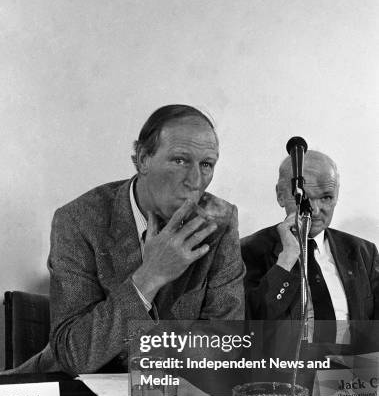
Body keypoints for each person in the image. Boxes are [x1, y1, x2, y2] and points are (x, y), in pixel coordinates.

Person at [5, 104, 244, 375]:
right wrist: (149, 277)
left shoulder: (218, 222)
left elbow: (226, 347)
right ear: (142, 159)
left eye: (206, 164)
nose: (195, 180)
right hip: (81, 394)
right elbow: (74, 354)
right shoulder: (79, 220)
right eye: (180, 160)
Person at [241, 151, 379, 343]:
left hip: (352, 369)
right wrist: (287, 259)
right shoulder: (248, 251)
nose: (314, 210)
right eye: (304, 198)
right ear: (281, 196)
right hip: (287, 370)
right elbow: (249, 328)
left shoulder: (364, 252)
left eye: (326, 198)